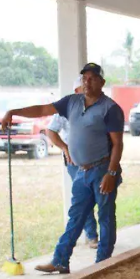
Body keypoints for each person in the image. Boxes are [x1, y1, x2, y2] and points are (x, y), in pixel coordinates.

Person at [1, 62, 125, 274]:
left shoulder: (110, 108)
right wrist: (13, 112)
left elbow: (118, 144)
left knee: (105, 215)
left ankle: (103, 261)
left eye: (93, 78)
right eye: (85, 78)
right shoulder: (72, 102)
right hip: (80, 171)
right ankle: (60, 259)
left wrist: (111, 173)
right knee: (76, 216)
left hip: (102, 169)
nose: (87, 81)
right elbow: (42, 109)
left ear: (102, 82)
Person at [45, 75, 98, 250]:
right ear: (76, 91)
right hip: (74, 161)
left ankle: (100, 235)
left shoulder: (98, 106)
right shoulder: (66, 109)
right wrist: (65, 148)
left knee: (99, 196)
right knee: (84, 196)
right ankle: (91, 235)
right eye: (84, 87)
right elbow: (51, 130)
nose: (88, 90)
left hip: (97, 160)